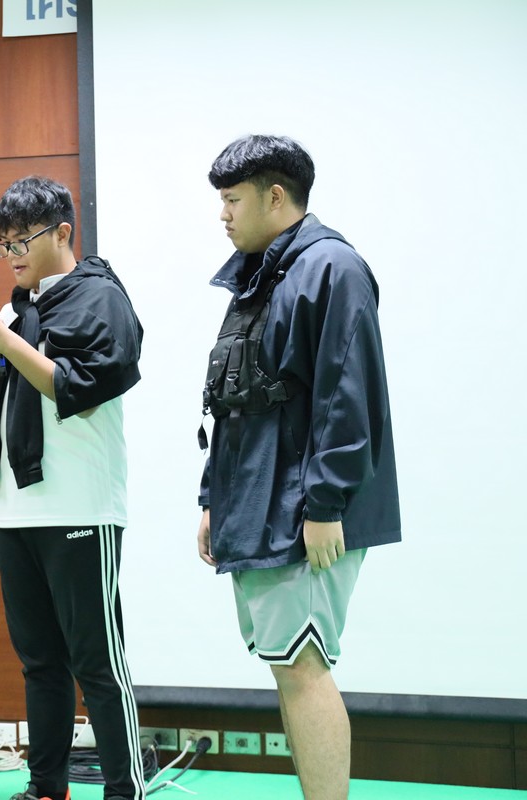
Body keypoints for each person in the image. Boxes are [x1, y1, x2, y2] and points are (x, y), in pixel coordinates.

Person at [198, 135, 401, 800]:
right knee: (289, 667)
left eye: (232, 199)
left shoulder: (332, 267)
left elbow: (347, 395)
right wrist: (212, 499)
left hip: (304, 510)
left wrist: (325, 504)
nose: (223, 214)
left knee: (303, 667)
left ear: (276, 196)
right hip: (260, 503)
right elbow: (234, 398)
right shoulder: (263, 273)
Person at [0, 175, 147, 800]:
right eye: (3, 244)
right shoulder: (16, 311)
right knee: (40, 663)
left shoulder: (100, 298)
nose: (11, 255)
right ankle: (46, 788)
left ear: (62, 232)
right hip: (15, 509)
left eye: (22, 241)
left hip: (81, 505)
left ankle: (124, 791)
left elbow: (77, 388)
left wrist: (7, 341)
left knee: (98, 663)